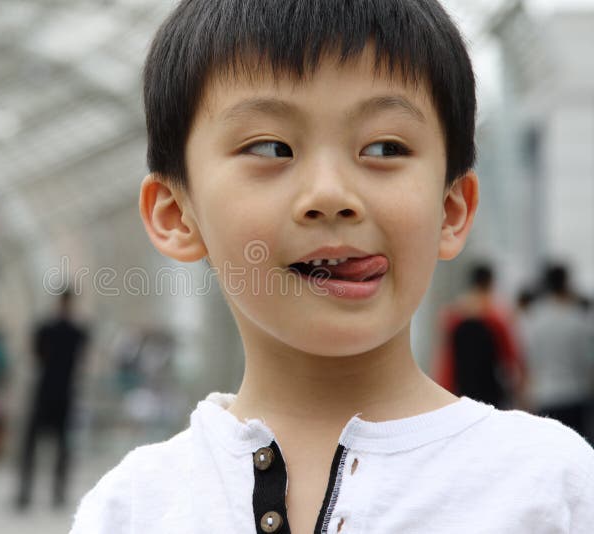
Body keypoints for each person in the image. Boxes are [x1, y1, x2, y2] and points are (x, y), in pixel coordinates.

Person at [71, 1, 594, 531]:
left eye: (385, 148)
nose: (330, 195)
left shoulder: (549, 487)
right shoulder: (132, 508)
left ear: (452, 210)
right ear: (176, 215)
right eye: (271, 147)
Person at [15, 291, 88, 509]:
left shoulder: (59, 330)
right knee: (45, 446)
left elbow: (36, 354)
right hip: (55, 393)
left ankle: (46, 492)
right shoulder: (72, 332)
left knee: (52, 447)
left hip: (53, 394)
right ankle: (38, 492)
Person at [433, 263, 526, 409]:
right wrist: (521, 393)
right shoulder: (496, 317)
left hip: (460, 393)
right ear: (490, 283)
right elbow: (511, 357)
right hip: (491, 395)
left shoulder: (454, 316)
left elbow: (447, 361)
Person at [521, 264, 594, 440]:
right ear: (567, 283)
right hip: (575, 394)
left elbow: (529, 361)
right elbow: (587, 362)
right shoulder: (578, 318)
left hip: (545, 395)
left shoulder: (534, 318)